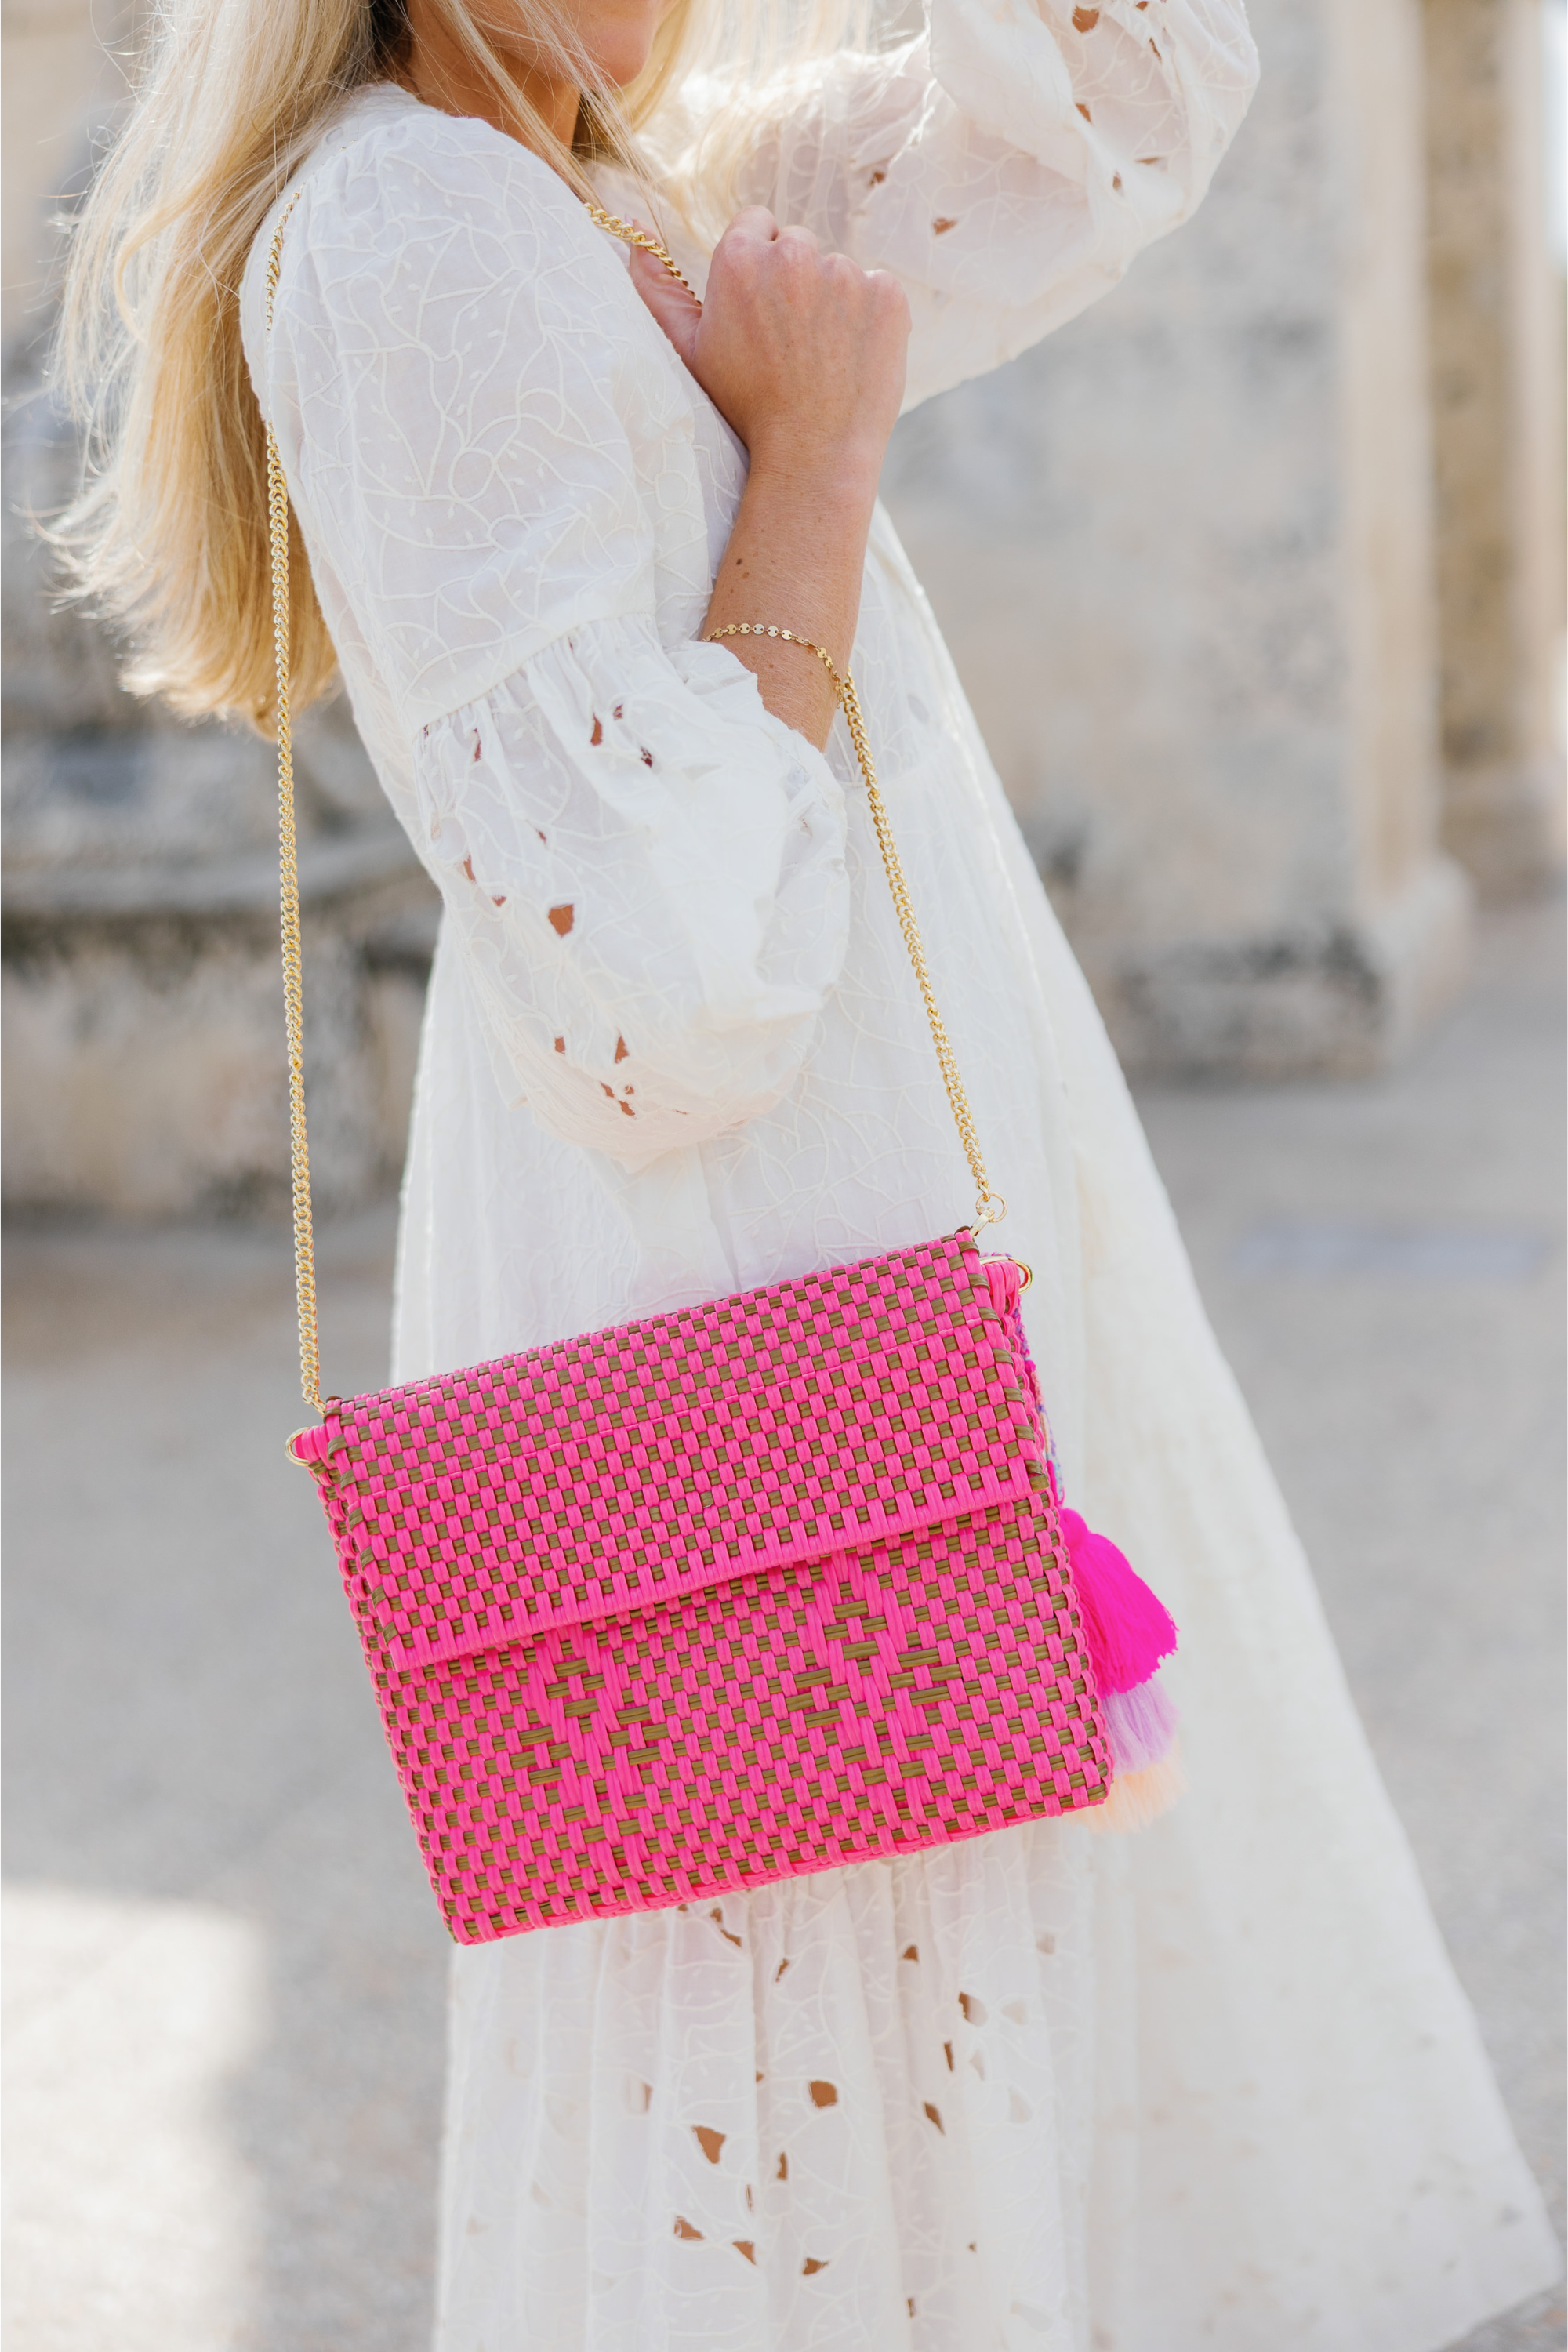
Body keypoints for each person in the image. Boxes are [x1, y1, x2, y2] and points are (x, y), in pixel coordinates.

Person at [56, 0, 1558, 2344]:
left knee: (939, 2061)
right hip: (742, 1287)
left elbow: (1141, 89)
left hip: (845, 1237)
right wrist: (819, 459)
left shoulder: (614, 173)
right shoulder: (410, 226)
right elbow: (647, 994)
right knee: (837, 2056)